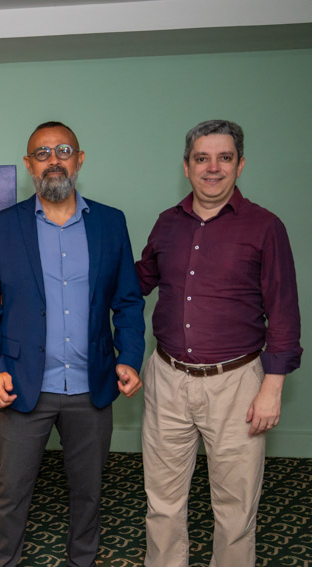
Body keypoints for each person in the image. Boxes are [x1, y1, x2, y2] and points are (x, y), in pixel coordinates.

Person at [0, 121, 145, 567]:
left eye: (63, 150)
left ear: (79, 159)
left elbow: (127, 301)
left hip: (92, 385)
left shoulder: (111, 222)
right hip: (23, 384)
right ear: (29, 165)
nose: (54, 160)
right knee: (10, 495)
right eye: (42, 153)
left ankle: (82, 560)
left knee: (88, 494)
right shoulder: (2, 227)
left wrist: (129, 357)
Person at [136, 119, 302, 566]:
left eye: (224, 158)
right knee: (162, 500)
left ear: (240, 165)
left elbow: (284, 312)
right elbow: (139, 281)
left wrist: (272, 387)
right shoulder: (167, 224)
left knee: (235, 507)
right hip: (167, 378)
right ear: (186, 167)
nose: (213, 168)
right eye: (202, 158)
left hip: (237, 384)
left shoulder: (266, 226)